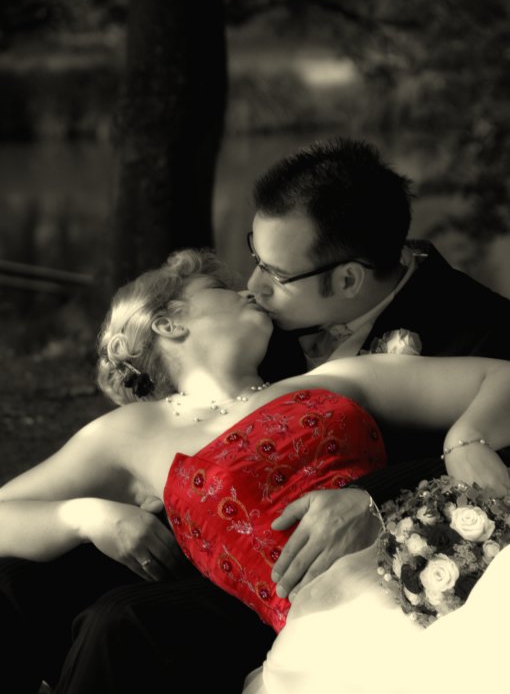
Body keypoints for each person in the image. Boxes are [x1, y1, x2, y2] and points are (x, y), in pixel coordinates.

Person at [1, 248, 509, 693]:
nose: (249, 291)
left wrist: (466, 437)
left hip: (428, 564)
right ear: (169, 323)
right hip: (316, 625)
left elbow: (499, 376)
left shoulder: (334, 378)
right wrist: (88, 516)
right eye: (220, 288)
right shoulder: (131, 432)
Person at [246, 135, 510, 602]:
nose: (254, 286)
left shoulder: (486, 331)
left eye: (277, 275)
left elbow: (489, 473)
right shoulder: (253, 324)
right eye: (255, 258)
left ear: (348, 278)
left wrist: (370, 496)